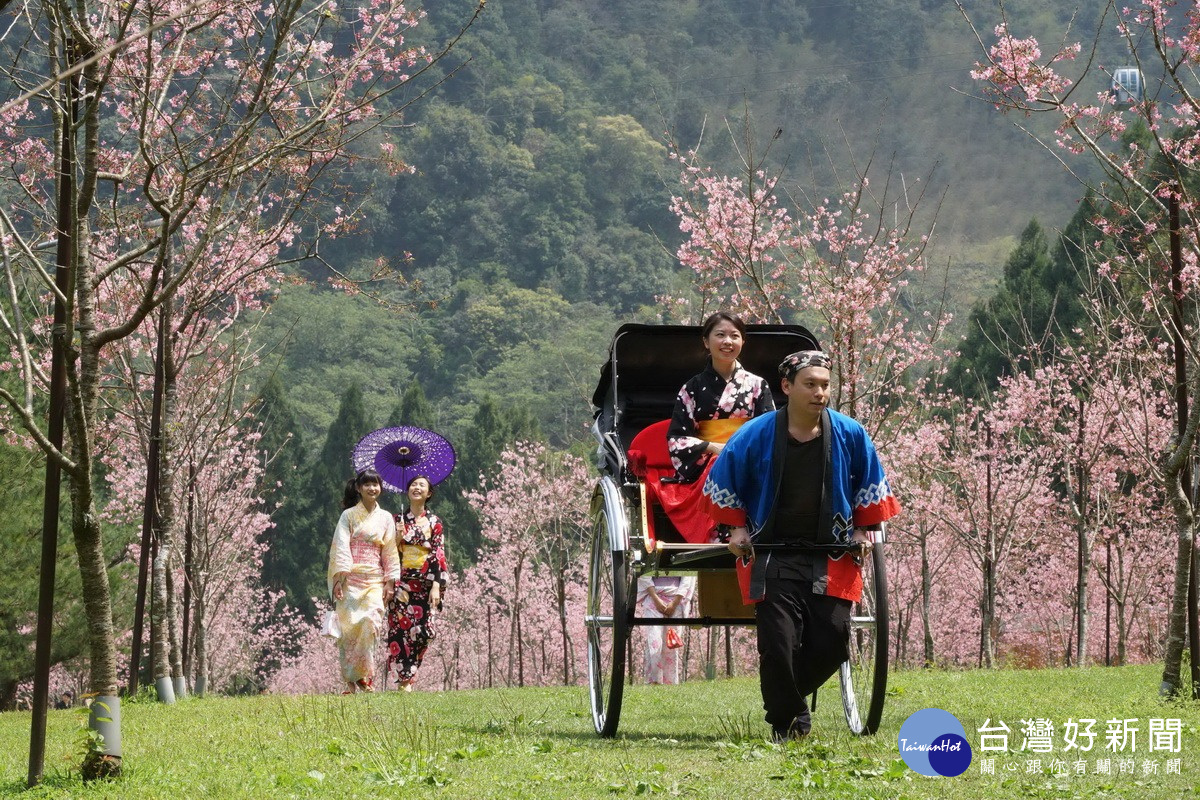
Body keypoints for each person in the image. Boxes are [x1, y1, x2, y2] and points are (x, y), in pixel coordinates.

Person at [702, 350, 900, 741]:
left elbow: (869, 485)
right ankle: (789, 723)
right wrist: (736, 530)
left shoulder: (849, 433)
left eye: (825, 385)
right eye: (810, 384)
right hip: (771, 551)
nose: (819, 392)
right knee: (778, 643)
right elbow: (725, 483)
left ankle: (782, 700)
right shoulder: (755, 434)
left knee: (832, 641)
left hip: (831, 551)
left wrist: (864, 530)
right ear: (787, 387)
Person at [660, 311, 775, 543]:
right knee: (722, 464)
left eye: (735, 336)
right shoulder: (691, 388)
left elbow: (769, 431)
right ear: (706, 341)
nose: (728, 342)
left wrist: (742, 451)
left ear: (743, 341)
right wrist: (713, 447)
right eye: (720, 335)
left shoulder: (757, 385)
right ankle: (723, 531)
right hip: (708, 462)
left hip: (750, 458)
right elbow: (677, 438)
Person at [328, 467, 401, 693]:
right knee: (349, 631)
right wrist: (339, 579)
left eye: (376, 484)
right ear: (359, 488)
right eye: (367, 484)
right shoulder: (348, 516)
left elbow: (389, 551)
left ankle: (364, 676)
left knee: (371, 623)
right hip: (351, 578)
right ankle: (350, 682)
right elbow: (340, 546)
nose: (372, 488)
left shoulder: (386, 518)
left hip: (374, 580)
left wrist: (390, 581)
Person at [386, 475, 447, 691]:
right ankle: (405, 681)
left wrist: (437, 585)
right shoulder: (396, 520)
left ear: (429, 493)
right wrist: (397, 537)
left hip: (425, 582)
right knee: (399, 631)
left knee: (424, 632)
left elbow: (439, 554)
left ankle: (411, 673)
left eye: (422, 485)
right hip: (402, 582)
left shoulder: (435, 522)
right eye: (413, 484)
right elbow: (388, 552)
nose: (416, 487)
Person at [635, 575, 696, 684]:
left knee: (671, 645)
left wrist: (675, 602)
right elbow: (644, 573)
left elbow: (687, 576)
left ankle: (671, 682)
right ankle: (653, 681)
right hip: (654, 597)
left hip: (676, 598)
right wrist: (655, 598)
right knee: (654, 642)